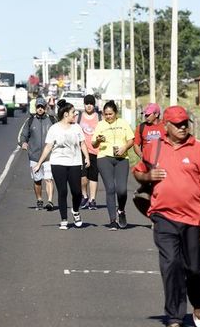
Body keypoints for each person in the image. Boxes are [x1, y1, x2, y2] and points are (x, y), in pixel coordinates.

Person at [132, 105, 200, 327]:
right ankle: (174, 317)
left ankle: (198, 301)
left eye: (185, 123)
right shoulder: (154, 148)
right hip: (164, 216)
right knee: (171, 265)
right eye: (177, 124)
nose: (182, 127)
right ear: (165, 126)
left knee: (195, 268)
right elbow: (137, 171)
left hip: (194, 219)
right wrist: (148, 176)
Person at [33, 99, 90, 230]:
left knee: (76, 192)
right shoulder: (54, 129)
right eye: (73, 113)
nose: (75, 115)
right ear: (65, 114)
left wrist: (87, 157)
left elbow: (82, 143)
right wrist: (39, 163)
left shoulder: (77, 128)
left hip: (75, 163)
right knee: (62, 191)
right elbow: (48, 147)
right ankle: (64, 219)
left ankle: (75, 211)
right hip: (58, 163)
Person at [92, 100, 134, 230]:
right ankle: (112, 220)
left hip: (122, 158)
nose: (108, 116)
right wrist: (98, 140)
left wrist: (124, 148)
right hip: (104, 158)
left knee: (121, 190)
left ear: (116, 113)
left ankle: (121, 210)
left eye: (110, 114)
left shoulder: (123, 123)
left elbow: (131, 140)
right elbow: (94, 144)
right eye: (106, 114)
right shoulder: (100, 125)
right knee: (110, 188)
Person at [18, 97, 57, 211]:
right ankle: (39, 199)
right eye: (38, 107)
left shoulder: (52, 120)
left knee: (49, 179)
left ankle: (50, 201)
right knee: (37, 180)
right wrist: (23, 143)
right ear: (36, 108)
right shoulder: (30, 121)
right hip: (34, 156)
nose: (40, 109)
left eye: (42, 107)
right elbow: (23, 135)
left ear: (45, 108)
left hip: (49, 156)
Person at [77, 94, 102, 210]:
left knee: (93, 176)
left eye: (91, 104)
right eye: (87, 103)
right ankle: (84, 195)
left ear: (94, 105)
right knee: (83, 177)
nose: (89, 106)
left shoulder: (99, 117)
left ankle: (92, 199)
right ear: (84, 104)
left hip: (96, 151)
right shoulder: (79, 117)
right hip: (82, 150)